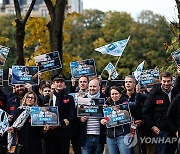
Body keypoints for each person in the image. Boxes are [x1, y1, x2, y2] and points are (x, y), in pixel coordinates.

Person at [142, 71, 179, 154]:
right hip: (161, 129)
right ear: (160, 81)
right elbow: (145, 112)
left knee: (173, 151)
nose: (166, 83)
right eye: (164, 81)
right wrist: (152, 126)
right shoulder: (154, 93)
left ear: (171, 81)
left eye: (168, 81)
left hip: (174, 129)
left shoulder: (176, 92)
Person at [44, 73, 76, 154]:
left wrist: (59, 124)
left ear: (65, 84)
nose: (59, 84)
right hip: (49, 133)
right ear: (53, 84)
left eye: (61, 82)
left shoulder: (69, 98)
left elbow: (72, 116)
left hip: (63, 133)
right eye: (57, 82)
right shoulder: (47, 98)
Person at [101, 86, 131, 154]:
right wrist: (103, 120)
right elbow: (104, 118)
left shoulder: (125, 103)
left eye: (116, 94)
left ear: (120, 94)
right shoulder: (107, 105)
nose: (114, 96)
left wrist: (119, 110)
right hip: (110, 137)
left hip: (123, 135)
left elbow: (128, 115)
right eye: (112, 94)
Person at [79, 78, 106, 154]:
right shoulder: (82, 100)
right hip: (86, 136)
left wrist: (105, 115)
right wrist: (81, 120)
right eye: (90, 86)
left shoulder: (105, 99)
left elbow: (109, 117)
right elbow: (76, 118)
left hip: (99, 136)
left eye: (94, 86)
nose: (92, 88)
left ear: (99, 87)